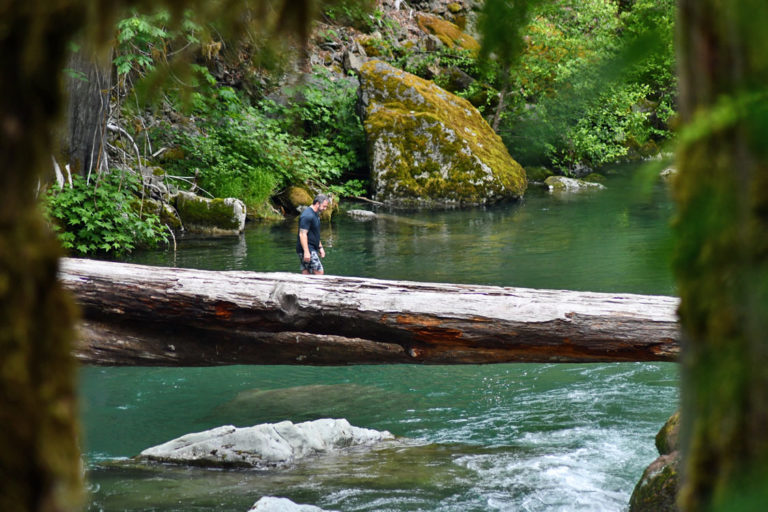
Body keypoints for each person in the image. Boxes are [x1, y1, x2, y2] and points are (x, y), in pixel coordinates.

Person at [296, 193, 330, 274]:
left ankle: (304, 287)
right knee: (319, 271)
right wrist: (306, 252)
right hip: (307, 248)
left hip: (311, 248)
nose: (325, 209)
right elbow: (302, 234)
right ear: (318, 203)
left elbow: (315, 233)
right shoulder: (307, 215)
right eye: (324, 206)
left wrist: (320, 247)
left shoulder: (316, 214)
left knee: (306, 271)